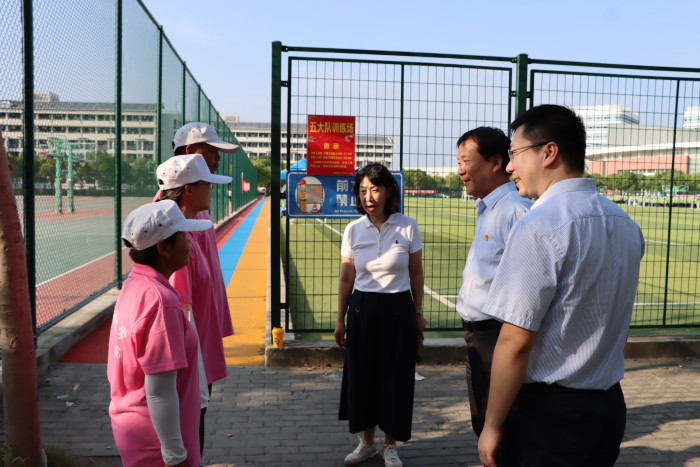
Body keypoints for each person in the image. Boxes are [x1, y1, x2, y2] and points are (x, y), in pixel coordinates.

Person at [477, 105, 645, 467]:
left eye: (514, 154)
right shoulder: (626, 224)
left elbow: (515, 341)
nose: (509, 167)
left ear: (548, 152)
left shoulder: (539, 226)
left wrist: (491, 424)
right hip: (607, 409)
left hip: (549, 417)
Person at [334, 163, 427, 467]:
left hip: (398, 310)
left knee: (395, 379)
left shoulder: (407, 226)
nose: (369, 196)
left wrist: (417, 312)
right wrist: (340, 319)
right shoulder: (353, 229)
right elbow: (347, 277)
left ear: (388, 191)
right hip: (362, 311)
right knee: (363, 379)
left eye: (375, 189)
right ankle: (366, 443)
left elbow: (416, 274)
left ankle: (391, 446)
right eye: (362, 191)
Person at [107, 200, 213, 467]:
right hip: (157, 443)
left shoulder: (136, 284)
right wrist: (175, 457)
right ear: (164, 247)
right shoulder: (161, 301)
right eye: (183, 237)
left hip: (133, 429)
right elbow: (159, 391)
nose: (190, 243)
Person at [156, 121, 239, 452]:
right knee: (188, 426)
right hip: (189, 349)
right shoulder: (171, 225)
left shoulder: (196, 214)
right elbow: (178, 303)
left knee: (195, 421)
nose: (218, 160)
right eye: (212, 153)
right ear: (190, 156)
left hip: (200, 339)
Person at [455, 127, 532, 437]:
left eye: (465, 161)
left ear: (495, 162)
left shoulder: (515, 212)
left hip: (496, 336)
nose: (459, 170)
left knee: (501, 428)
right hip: (479, 338)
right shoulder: (489, 208)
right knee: (483, 423)